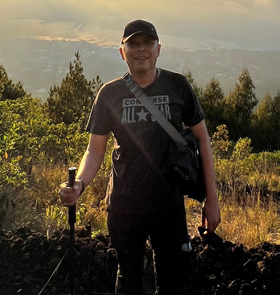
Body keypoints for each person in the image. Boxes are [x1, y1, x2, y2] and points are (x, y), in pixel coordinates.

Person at [59, 19, 221, 294]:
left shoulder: (178, 86)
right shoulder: (109, 94)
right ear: (122, 52)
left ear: (159, 49)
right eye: (134, 43)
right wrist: (79, 185)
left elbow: (203, 139)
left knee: (172, 281)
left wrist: (212, 200)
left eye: (148, 43)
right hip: (124, 205)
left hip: (168, 205)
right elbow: (94, 150)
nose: (141, 49)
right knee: (128, 280)